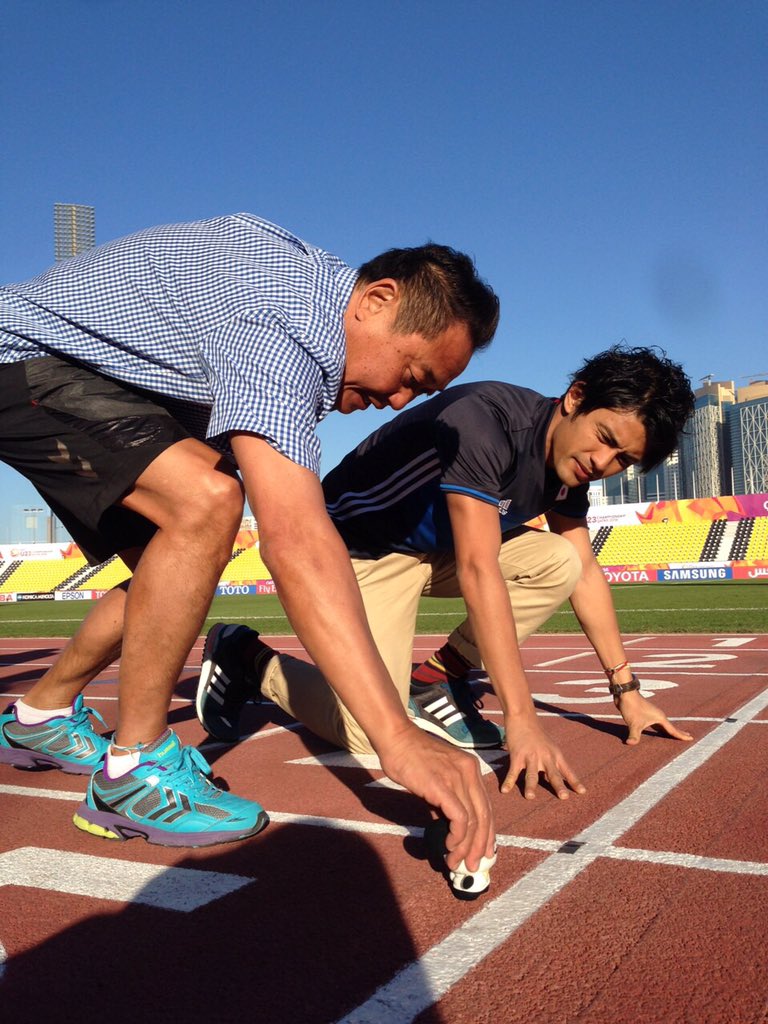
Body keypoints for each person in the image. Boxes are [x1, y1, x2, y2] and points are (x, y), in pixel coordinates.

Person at [0, 213, 499, 865]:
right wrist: (396, 736)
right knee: (206, 504)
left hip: (104, 379)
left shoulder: (300, 311)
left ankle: (40, 715)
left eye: (422, 392)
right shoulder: (284, 319)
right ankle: (132, 773)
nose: (400, 399)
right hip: (21, 358)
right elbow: (294, 538)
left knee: (171, 562)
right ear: (378, 299)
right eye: (410, 373)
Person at [196, 345, 695, 800]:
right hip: (361, 550)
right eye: (604, 438)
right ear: (575, 397)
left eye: (622, 460)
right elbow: (480, 571)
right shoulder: (487, 423)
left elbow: (584, 570)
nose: (602, 462)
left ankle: (435, 681)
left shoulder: (569, 470)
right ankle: (247, 657)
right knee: (370, 731)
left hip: (435, 551)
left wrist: (626, 691)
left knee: (559, 561)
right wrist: (522, 720)